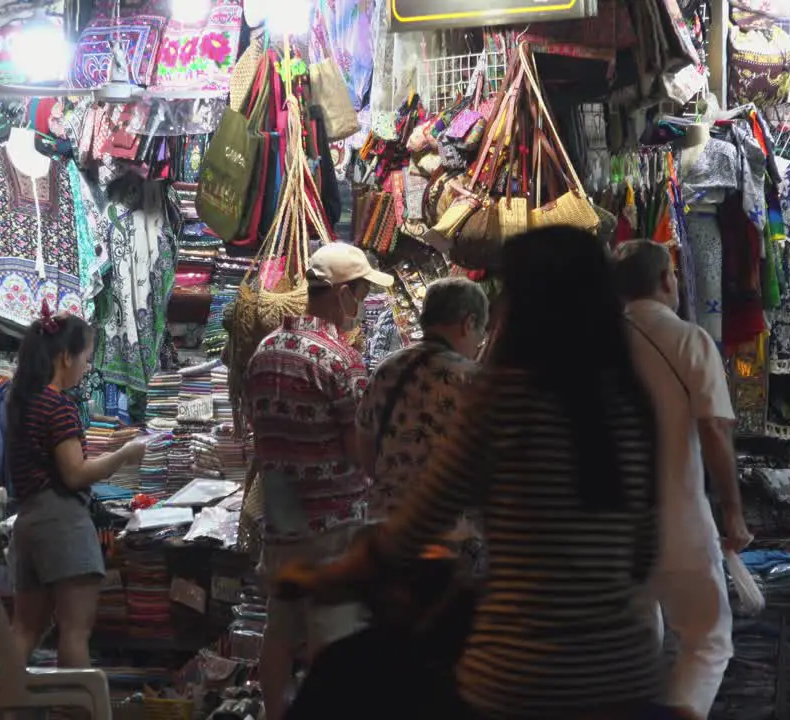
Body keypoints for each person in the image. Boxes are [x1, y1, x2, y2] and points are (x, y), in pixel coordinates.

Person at [281, 227, 669, 720]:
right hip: (624, 675)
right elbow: (644, 550)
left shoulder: (503, 397)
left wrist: (334, 575)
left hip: (517, 675)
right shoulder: (631, 402)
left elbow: (421, 518)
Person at [244, 241, 394, 720]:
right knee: (333, 640)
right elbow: (358, 451)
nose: (364, 304)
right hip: (334, 524)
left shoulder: (264, 352)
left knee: (280, 633)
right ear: (343, 293)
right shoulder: (339, 361)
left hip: (282, 519)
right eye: (363, 292)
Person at [613, 239, 752, 719]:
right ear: (668, 280)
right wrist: (732, 509)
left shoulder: (595, 346)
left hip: (608, 531)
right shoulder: (689, 340)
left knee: (635, 647)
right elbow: (713, 428)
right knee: (708, 639)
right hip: (679, 521)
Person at [6, 306, 147, 669]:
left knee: (24, 630)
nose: (86, 367)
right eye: (85, 358)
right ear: (65, 357)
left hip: (28, 522)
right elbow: (75, 474)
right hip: (62, 524)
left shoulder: (23, 403)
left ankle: (2, 707)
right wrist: (124, 454)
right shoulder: (58, 407)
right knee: (75, 632)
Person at [356, 276, 489, 522]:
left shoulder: (387, 369)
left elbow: (365, 449)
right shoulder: (473, 381)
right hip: (444, 532)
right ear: (468, 324)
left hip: (385, 524)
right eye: (481, 331)